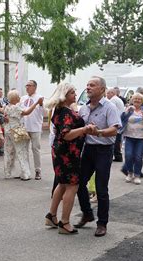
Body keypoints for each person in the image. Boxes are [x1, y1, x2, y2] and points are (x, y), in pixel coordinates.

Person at [74, 76, 122, 237]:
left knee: (101, 188)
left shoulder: (109, 107)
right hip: (87, 150)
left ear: (102, 89)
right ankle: (87, 213)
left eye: (92, 85)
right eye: (87, 85)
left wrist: (99, 132)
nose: (88, 87)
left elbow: (115, 130)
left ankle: (102, 223)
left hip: (104, 150)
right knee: (78, 183)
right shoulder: (83, 108)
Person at [45, 83, 91, 234]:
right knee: (72, 186)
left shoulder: (59, 109)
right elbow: (66, 134)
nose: (75, 95)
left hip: (60, 152)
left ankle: (51, 215)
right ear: (65, 95)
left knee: (62, 183)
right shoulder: (65, 112)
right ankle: (64, 222)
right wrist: (84, 129)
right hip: (68, 154)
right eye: (72, 93)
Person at [3, 89, 40, 180]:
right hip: (16, 132)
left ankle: (8, 172)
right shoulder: (16, 107)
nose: (20, 97)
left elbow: (4, 114)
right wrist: (35, 104)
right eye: (18, 96)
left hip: (8, 131)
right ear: (15, 98)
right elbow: (26, 112)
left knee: (9, 152)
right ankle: (25, 173)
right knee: (21, 152)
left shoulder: (7, 107)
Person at [119, 93, 143, 185]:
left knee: (138, 157)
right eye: (135, 99)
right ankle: (130, 173)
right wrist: (125, 112)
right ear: (132, 100)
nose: (137, 100)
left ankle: (137, 175)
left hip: (142, 138)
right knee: (128, 155)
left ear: (142, 101)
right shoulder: (129, 109)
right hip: (129, 136)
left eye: (139, 99)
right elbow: (120, 120)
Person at [20, 80, 45, 180]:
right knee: (24, 150)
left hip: (35, 127)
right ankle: (26, 171)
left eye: (29, 85)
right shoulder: (23, 98)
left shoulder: (40, 98)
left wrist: (41, 104)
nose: (27, 87)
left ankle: (38, 170)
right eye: (26, 85)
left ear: (35, 87)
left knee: (35, 149)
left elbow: (44, 112)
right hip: (24, 127)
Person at [106, 88, 124, 162]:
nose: (107, 95)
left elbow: (109, 109)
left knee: (116, 140)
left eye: (108, 93)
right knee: (118, 140)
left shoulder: (113, 100)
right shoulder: (118, 99)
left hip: (116, 122)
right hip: (119, 121)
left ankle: (117, 156)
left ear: (112, 93)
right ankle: (118, 155)